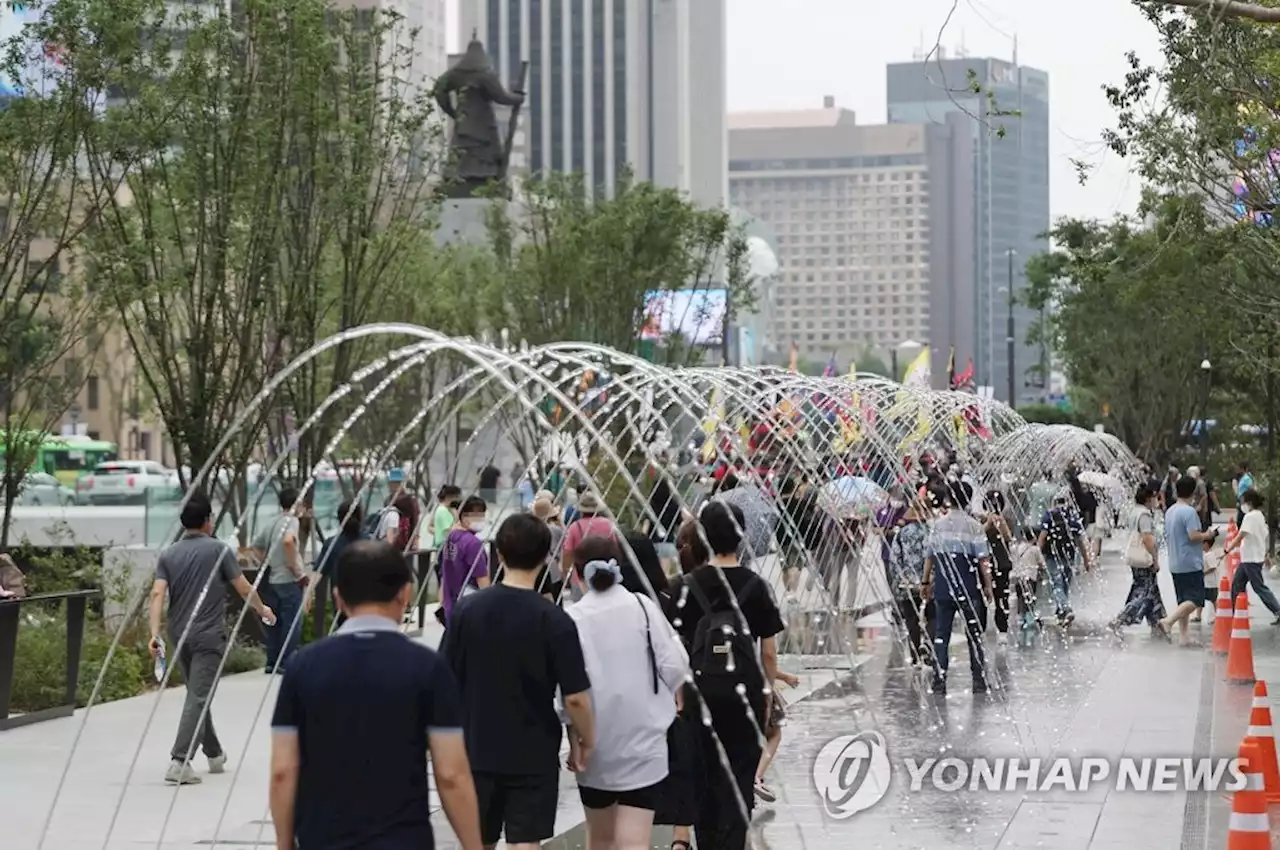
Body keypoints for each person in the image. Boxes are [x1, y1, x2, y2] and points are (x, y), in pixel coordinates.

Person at [268, 542, 483, 850]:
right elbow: (451, 774)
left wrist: (284, 843)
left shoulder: (302, 667)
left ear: (338, 598)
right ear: (405, 594)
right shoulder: (428, 668)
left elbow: (283, 770)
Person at [441, 514, 595, 850]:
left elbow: (444, 682)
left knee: (478, 840)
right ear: (545, 558)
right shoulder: (554, 619)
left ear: (498, 555)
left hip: (476, 749)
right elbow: (576, 699)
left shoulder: (467, 611)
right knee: (526, 842)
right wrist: (587, 739)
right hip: (533, 752)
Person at [565, 536, 689, 850]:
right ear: (618, 567)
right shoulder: (643, 607)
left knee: (601, 839)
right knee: (635, 839)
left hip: (595, 745)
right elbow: (675, 665)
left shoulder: (573, 619)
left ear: (579, 575)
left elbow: (565, 691)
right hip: (644, 743)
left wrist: (573, 739)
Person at [672, 502, 784, 850]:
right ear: (741, 536)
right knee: (739, 780)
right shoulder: (758, 586)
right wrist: (767, 694)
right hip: (744, 695)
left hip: (698, 693)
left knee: (703, 778)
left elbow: (672, 649)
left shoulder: (683, 586)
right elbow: (767, 652)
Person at [148, 493, 275, 784]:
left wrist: (154, 634)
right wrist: (263, 610)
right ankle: (179, 761)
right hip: (208, 635)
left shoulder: (169, 554)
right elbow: (243, 588)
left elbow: (157, 594)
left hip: (179, 634)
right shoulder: (219, 550)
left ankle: (214, 753)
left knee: (196, 693)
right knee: (199, 696)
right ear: (207, 521)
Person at [653, 521, 708, 850]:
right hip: (723, 685)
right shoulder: (729, 585)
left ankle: (680, 836)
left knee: (686, 758)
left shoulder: (672, 589)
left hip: (685, 687)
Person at [923, 486, 994, 694]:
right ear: (968, 499)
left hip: (944, 589)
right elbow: (983, 560)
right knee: (974, 635)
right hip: (969, 589)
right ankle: (978, 680)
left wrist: (925, 582)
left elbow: (930, 555)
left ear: (947, 499)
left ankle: (939, 680)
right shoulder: (974, 526)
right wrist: (988, 586)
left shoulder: (938, 525)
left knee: (941, 634)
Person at [252, 487, 311, 672]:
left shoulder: (272, 522)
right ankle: (286, 662)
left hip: (273, 579)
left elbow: (256, 546)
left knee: (274, 622)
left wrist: (268, 562)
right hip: (288, 579)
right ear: (295, 504)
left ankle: (272, 661)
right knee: (292, 621)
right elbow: (287, 541)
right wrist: (297, 570)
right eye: (300, 503)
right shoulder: (291, 521)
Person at [1158, 476, 1220, 645]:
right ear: (1193, 492)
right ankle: (1168, 621)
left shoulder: (1170, 510)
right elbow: (1193, 536)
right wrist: (1208, 535)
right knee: (1196, 599)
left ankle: (1184, 637)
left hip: (1175, 561)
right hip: (1190, 562)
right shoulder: (1189, 512)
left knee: (1183, 600)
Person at [1109, 485, 1167, 637]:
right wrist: (1155, 559)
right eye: (1155, 496)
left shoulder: (1134, 511)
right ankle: (1121, 618)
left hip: (1135, 558)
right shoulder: (1144, 515)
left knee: (1151, 590)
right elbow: (1147, 539)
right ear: (1148, 499)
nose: (1157, 500)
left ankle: (1157, 623)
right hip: (1144, 559)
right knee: (1145, 592)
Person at [886, 497, 933, 667]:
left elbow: (894, 560)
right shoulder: (931, 532)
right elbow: (935, 557)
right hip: (927, 582)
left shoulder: (902, 534)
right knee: (932, 616)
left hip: (906, 584)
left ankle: (915, 658)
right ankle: (928, 645)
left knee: (911, 620)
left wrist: (897, 581)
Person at [1227, 488, 1280, 624]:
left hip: (1251, 559)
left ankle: (1277, 610)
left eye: (1243, 502)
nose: (1242, 505)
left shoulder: (1250, 517)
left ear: (1249, 502)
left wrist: (1227, 549)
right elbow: (1263, 536)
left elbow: (1240, 535)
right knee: (1237, 585)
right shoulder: (1259, 515)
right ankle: (1235, 613)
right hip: (1251, 558)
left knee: (1258, 587)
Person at [438, 496, 492, 626]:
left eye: (482, 515)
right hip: (471, 606)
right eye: (476, 515)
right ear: (463, 516)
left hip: (451, 603)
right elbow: (482, 578)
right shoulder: (473, 544)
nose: (480, 519)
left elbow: (444, 572)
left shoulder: (451, 537)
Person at [1037, 494, 1089, 629]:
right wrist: (1086, 560)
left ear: (1054, 502)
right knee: (1065, 584)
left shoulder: (1049, 516)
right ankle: (1061, 613)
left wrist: (1038, 555)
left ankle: (1065, 609)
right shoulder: (1072, 517)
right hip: (1069, 556)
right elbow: (1080, 541)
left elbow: (1042, 537)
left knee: (1056, 585)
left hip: (1052, 556)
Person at [561, 492, 618, 598]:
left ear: (581, 510)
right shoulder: (607, 524)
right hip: (605, 574)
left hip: (580, 577)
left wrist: (566, 571)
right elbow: (615, 548)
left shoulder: (575, 527)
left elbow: (567, 552)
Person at [981, 491, 1014, 643]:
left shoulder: (1005, 519)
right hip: (985, 563)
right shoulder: (981, 520)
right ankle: (981, 626)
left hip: (1001, 563)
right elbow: (977, 536)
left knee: (1002, 596)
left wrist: (1000, 524)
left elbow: (1008, 538)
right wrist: (987, 525)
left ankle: (1003, 628)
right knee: (983, 595)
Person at [1010, 526, 1044, 644]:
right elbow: (1041, 564)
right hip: (1030, 577)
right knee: (1030, 599)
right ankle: (1029, 620)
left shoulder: (1016, 548)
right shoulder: (1035, 549)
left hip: (1019, 577)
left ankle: (1021, 618)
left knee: (1020, 598)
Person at [1235, 461, 1255, 528]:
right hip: (1241, 502)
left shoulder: (1247, 479)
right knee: (1240, 521)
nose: (1237, 470)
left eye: (1238, 468)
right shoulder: (1242, 479)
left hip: (1245, 502)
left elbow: (1251, 489)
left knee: (1242, 521)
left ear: (1242, 469)